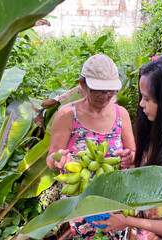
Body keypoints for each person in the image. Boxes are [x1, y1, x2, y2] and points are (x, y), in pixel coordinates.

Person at [92, 56, 162, 240]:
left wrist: (127, 221)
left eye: (147, 98)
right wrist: (134, 163)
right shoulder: (161, 132)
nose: (141, 104)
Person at [46, 53, 136, 239]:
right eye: (99, 90)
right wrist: (58, 160)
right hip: (80, 202)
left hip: (115, 199)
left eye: (111, 90)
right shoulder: (67, 115)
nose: (106, 95)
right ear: (82, 85)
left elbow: (134, 152)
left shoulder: (122, 115)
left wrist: (131, 156)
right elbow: (51, 158)